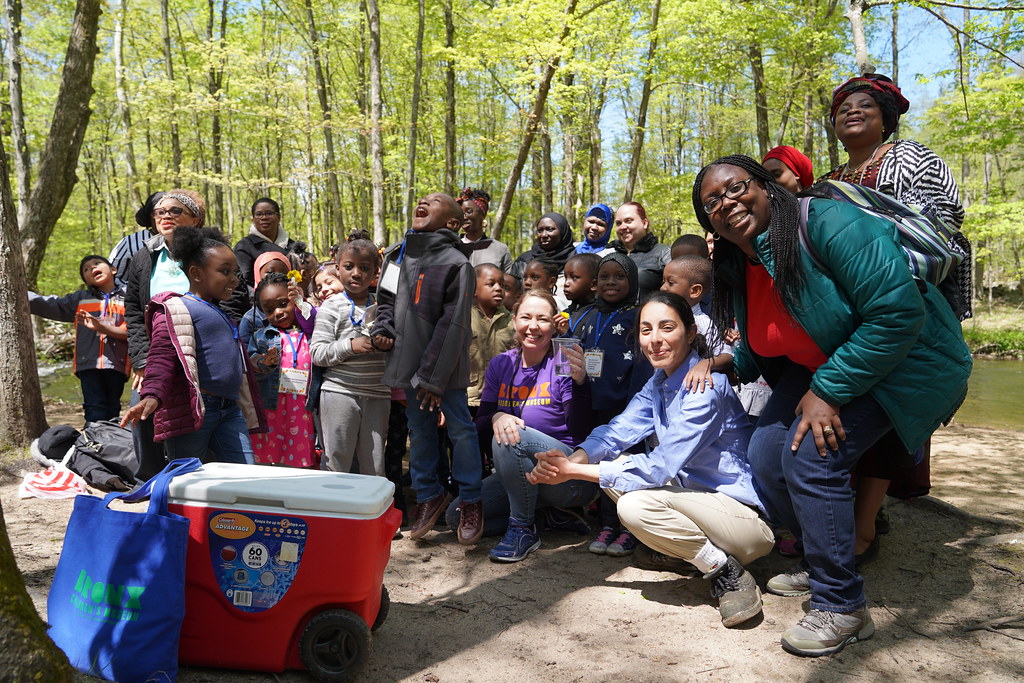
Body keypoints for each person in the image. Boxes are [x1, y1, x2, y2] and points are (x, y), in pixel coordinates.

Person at [692, 155, 971, 655]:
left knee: (810, 456)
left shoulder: (828, 222)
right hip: (827, 360)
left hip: (904, 361)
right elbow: (769, 332)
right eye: (712, 202)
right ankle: (826, 558)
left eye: (736, 188)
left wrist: (828, 392)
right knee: (766, 456)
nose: (727, 203)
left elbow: (896, 313)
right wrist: (729, 362)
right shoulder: (740, 258)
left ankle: (842, 607)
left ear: (765, 187)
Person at [529, 292, 774, 627]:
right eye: (646, 330)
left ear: (690, 333)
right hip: (697, 504)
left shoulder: (706, 387)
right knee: (619, 482)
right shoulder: (658, 383)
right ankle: (688, 555)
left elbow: (660, 466)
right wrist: (573, 459)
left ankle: (727, 572)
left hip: (743, 521)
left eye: (666, 327)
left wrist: (574, 471)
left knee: (633, 504)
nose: (655, 340)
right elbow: (617, 432)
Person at [822, 72, 969, 561]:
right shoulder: (831, 181)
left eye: (864, 105)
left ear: (886, 117)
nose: (852, 112)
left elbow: (941, 226)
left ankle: (864, 528)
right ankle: (854, 513)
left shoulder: (910, 157)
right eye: (843, 107)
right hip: (848, 314)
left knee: (889, 405)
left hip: (907, 303)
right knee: (848, 409)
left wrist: (881, 252)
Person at [447, 289, 597, 561]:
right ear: (514, 320)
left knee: (512, 436)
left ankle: (522, 528)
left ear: (554, 324)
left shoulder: (562, 361)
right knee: (455, 516)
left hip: (569, 476)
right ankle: (544, 517)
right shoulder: (500, 364)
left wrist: (580, 384)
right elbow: (481, 426)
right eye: (526, 317)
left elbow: (581, 430)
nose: (533, 326)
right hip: (520, 473)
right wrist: (495, 416)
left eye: (543, 319)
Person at [370, 192, 484, 545]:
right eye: (420, 199)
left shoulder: (456, 263)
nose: (423, 202)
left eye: (434, 201)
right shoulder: (396, 255)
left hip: (442, 370)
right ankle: (428, 495)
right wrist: (382, 330)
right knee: (418, 433)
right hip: (407, 365)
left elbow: (453, 325)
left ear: (452, 222)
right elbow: (385, 302)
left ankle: (470, 499)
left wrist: (433, 378)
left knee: (460, 431)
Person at [124, 189, 247, 479]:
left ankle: (212, 486)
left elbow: (236, 298)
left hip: (204, 350)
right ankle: (151, 481)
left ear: (195, 218)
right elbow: (132, 309)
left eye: (175, 211)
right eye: (159, 212)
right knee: (142, 412)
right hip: (160, 351)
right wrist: (141, 358)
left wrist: (225, 344)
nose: (165, 216)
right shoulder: (144, 256)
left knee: (206, 418)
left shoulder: (213, 252)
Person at [568, 253, 653, 556]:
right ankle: (607, 524)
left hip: (627, 407)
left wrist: (635, 409)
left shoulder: (639, 315)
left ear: (631, 280)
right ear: (595, 283)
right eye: (605, 277)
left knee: (628, 465)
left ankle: (630, 527)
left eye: (619, 276)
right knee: (601, 467)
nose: (611, 282)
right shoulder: (585, 315)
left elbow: (644, 365)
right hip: (592, 403)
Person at [311, 237, 390, 477]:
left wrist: (387, 344)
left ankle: (368, 513)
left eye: (365, 268)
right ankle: (330, 512)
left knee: (375, 466)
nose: (356, 274)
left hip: (377, 395)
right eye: (349, 267)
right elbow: (317, 353)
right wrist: (351, 346)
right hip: (339, 393)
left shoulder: (385, 308)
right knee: (336, 461)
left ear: (376, 272)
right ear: (337, 267)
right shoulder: (330, 307)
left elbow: (399, 346)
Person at [29, 256, 130, 422]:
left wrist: (103, 327)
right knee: (94, 407)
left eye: (97, 264)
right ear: (85, 281)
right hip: (88, 363)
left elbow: (131, 330)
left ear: (113, 269)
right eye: (86, 269)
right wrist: (21, 294)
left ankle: (110, 442)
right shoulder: (80, 298)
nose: (92, 268)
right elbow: (50, 304)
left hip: (117, 363)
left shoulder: (129, 298)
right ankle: (93, 442)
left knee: (113, 407)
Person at [248, 273, 318, 467]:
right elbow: (250, 363)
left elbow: (312, 318)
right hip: (273, 406)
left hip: (303, 408)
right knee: (270, 451)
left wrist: (301, 302)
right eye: (269, 310)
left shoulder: (310, 332)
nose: (277, 312)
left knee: (300, 453)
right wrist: (264, 362)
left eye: (283, 304)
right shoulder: (262, 336)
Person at [468, 264, 516, 473]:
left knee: (499, 450)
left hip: (502, 401)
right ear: (474, 288)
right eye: (491, 284)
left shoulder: (512, 321)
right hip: (469, 399)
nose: (498, 288)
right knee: (469, 453)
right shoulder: (462, 317)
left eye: (502, 285)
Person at [608, 202, 671, 298]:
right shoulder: (609, 253)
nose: (623, 227)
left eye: (629, 221)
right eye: (618, 223)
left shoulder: (663, 253)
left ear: (644, 223)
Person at [234, 198, 296, 289]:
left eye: (269, 213)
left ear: (279, 217)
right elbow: (242, 283)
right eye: (259, 214)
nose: (264, 218)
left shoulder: (292, 247)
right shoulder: (244, 246)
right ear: (253, 219)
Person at [108, 191, 164, 286]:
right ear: (151, 214)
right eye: (161, 212)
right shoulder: (130, 242)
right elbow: (112, 277)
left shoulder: (185, 240)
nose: (168, 216)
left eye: (174, 211)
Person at [510, 212, 576, 286]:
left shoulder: (576, 260)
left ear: (563, 231)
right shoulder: (524, 261)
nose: (544, 235)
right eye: (540, 231)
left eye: (550, 229)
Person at [458, 187, 513, 272]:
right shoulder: (453, 247)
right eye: (461, 213)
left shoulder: (500, 249)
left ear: (483, 214)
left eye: (469, 211)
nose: (464, 217)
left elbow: (509, 282)